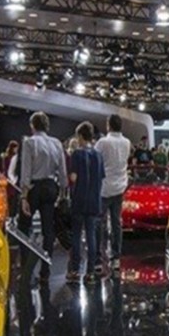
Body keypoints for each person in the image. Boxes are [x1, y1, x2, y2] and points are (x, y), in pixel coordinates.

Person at [19, 112, 68, 281]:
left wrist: (23, 197)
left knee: (23, 227)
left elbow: (26, 171)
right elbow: (63, 173)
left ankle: (26, 269)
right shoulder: (56, 143)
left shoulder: (29, 142)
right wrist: (63, 193)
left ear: (32, 125)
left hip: (34, 188)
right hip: (51, 187)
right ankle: (45, 272)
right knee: (49, 230)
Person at [66, 122, 105, 283]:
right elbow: (102, 177)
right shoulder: (98, 155)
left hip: (79, 198)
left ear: (81, 136)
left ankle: (75, 269)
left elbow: (73, 177)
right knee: (91, 236)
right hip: (94, 199)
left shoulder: (77, 154)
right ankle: (90, 272)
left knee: (76, 235)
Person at [94, 115, 132, 272]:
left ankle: (97, 258)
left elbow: (94, 160)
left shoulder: (102, 142)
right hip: (120, 187)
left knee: (99, 223)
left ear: (108, 125)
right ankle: (116, 257)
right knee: (116, 223)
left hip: (104, 188)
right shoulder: (127, 142)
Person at [3, 140, 20, 217]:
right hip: (8, 179)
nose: (16, 149)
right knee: (9, 197)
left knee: (14, 198)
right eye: (15, 147)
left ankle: (13, 213)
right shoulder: (7, 157)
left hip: (13, 179)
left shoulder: (17, 157)